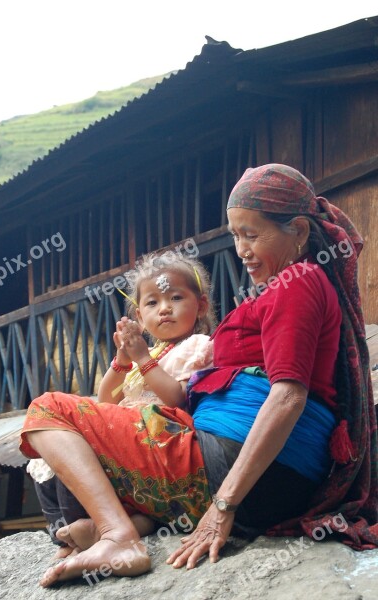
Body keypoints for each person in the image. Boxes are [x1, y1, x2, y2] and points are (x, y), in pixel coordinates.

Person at [20, 163, 378, 588]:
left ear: (299, 231)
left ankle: (119, 537)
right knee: (82, 459)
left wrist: (222, 507)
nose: (241, 249)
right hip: (248, 467)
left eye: (252, 234)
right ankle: (111, 528)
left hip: (237, 465)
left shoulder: (296, 282)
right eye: (234, 235)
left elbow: (287, 396)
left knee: (49, 409)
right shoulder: (296, 282)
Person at [22, 253, 215, 576]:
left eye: (176, 298)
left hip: (162, 437)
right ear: (139, 316)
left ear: (202, 305)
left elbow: (177, 398)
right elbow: (105, 402)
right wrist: (122, 362)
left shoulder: (199, 344)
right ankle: (88, 531)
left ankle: (111, 529)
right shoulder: (148, 353)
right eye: (153, 303)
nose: (164, 308)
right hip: (132, 437)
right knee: (55, 450)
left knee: (51, 413)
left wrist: (143, 360)